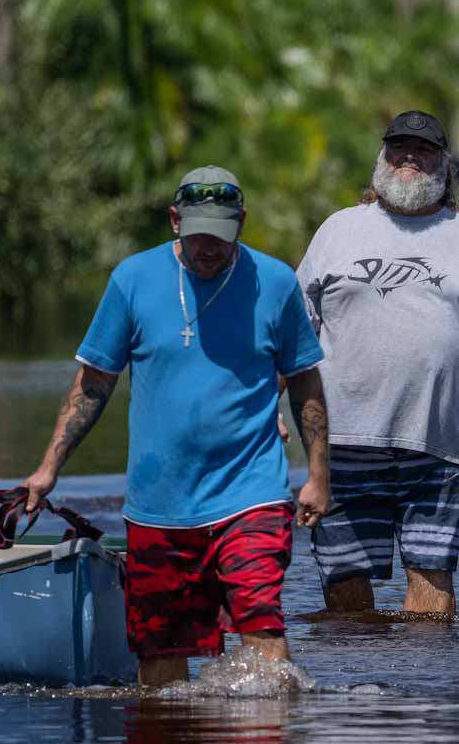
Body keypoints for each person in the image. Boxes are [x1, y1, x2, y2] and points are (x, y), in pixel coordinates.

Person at [17, 166, 331, 686]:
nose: (209, 247)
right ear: (173, 221)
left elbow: (305, 383)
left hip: (251, 493)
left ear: (243, 223)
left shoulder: (274, 284)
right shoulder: (133, 280)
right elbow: (93, 384)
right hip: (159, 505)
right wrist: (48, 468)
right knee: (161, 659)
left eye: (222, 235)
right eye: (198, 233)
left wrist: (319, 475)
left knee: (260, 623)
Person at [297, 110, 459, 615]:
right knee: (345, 596)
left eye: (424, 149)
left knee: (433, 598)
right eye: (398, 147)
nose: (409, 157)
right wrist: (266, 415)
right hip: (342, 444)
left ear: (445, 166)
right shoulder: (337, 231)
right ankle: (362, 693)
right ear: (381, 158)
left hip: (436, 447)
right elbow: (291, 338)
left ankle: (426, 693)